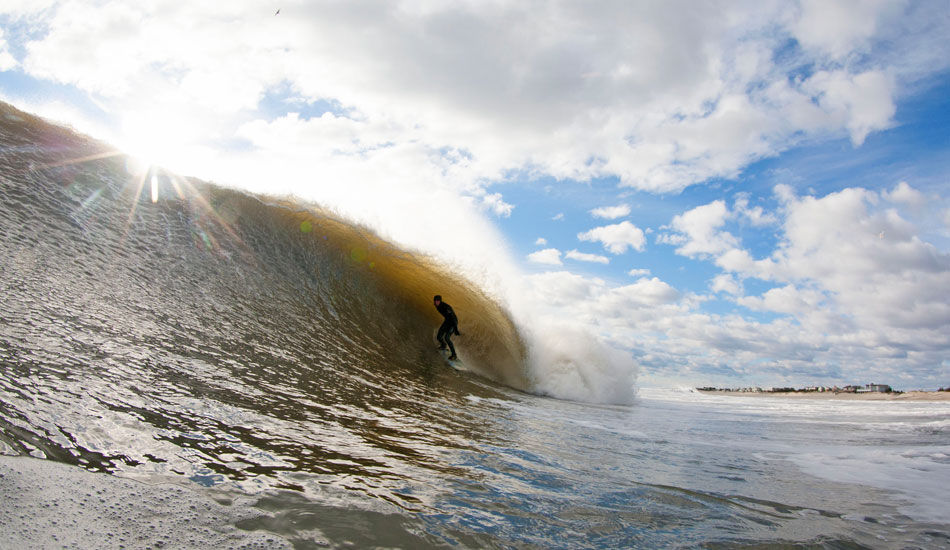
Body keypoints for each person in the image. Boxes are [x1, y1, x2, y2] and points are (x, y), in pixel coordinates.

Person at [433, 295, 460, 360]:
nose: (436, 302)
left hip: (453, 322)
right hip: (447, 321)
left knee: (447, 338)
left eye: (437, 301)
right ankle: (443, 345)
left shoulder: (446, 307)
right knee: (439, 336)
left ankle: (454, 355)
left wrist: (456, 329)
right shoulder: (437, 305)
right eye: (435, 301)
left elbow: (453, 318)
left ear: (440, 301)